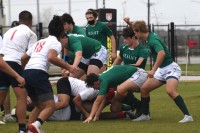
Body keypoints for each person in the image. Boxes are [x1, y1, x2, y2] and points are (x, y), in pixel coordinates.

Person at [21, 15, 78, 133]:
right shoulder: (55, 43)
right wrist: (69, 67)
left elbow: (23, 58)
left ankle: (29, 130)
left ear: (50, 30)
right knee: (50, 106)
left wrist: (22, 73)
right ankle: (36, 125)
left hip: (27, 72)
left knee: (39, 106)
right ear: (61, 32)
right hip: (38, 73)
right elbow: (51, 58)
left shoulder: (40, 41)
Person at [131, 20, 193, 123]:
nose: (135, 35)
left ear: (139, 31)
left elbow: (161, 53)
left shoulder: (153, 40)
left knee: (170, 91)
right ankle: (145, 115)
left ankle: (188, 116)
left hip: (170, 68)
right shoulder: (148, 36)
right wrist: (130, 23)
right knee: (144, 89)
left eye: (135, 32)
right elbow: (137, 29)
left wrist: (153, 70)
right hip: (161, 70)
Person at [0, 10, 37, 133]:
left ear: (18, 20)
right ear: (31, 22)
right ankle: (22, 129)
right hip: (14, 63)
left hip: (2, 64)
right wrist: (22, 71)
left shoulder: (8, 31)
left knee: (1, 95)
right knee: (22, 97)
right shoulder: (31, 33)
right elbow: (27, 56)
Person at [1, 20, 20, 123]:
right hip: (10, 63)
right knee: (19, 90)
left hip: (6, 63)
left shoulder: (6, 36)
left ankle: (8, 114)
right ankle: (9, 115)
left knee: (5, 89)